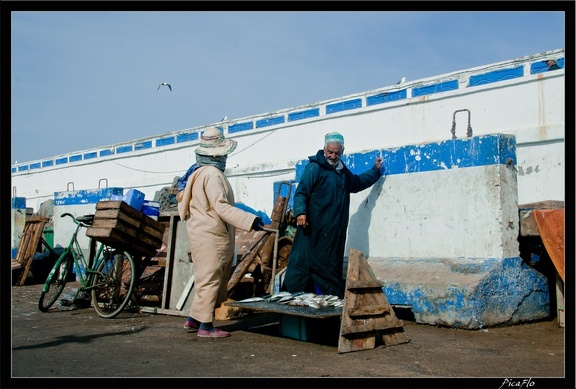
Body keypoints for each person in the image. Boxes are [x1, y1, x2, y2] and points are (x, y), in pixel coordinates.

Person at [177, 127, 265, 338]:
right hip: (211, 235)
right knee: (212, 280)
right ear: (217, 155)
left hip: (199, 233)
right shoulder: (213, 175)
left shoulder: (197, 173)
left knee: (204, 278)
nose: (225, 158)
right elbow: (221, 207)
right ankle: (205, 327)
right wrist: (250, 220)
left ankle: (194, 318)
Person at [283, 132, 383, 299]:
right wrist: (301, 212)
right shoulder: (315, 168)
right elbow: (301, 192)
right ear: (324, 149)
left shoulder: (342, 172)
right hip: (314, 230)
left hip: (334, 234)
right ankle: (298, 300)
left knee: (329, 267)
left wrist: (375, 171)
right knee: (307, 265)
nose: (333, 156)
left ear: (342, 152)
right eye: (330, 152)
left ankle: (328, 302)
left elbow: (357, 183)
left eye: (337, 153)